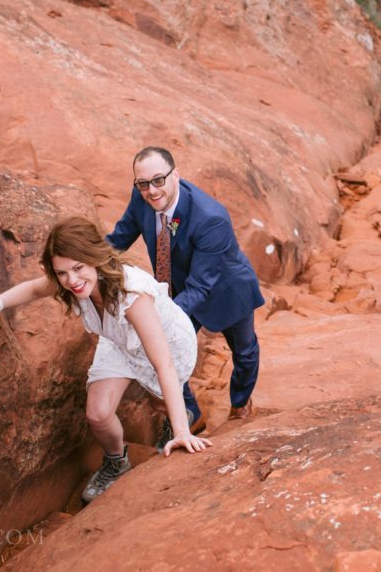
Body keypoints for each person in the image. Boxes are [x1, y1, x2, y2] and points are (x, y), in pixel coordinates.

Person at [0, 216, 211, 504]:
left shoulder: (132, 296)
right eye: (61, 273)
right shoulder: (69, 282)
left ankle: (178, 421)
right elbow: (34, 289)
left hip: (164, 343)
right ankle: (116, 462)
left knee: (159, 399)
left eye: (78, 268)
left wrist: (183, 434)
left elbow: (164, 364)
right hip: (119, 340)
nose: (71, 281)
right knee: (97, 414)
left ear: (94, 258)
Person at [106, 147, 265, 444]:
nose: (152, 191)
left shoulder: (211, 218)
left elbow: (201, 287)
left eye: (158, 180)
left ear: (175, 175)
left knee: (244, 350)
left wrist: (158, 317)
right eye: (143, 183)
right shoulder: (142, 198)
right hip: (181, 287)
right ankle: (190, 414)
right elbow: (119, 239)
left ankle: (241, 404)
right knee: (165, 352)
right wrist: (85, 261)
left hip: (226, 290)